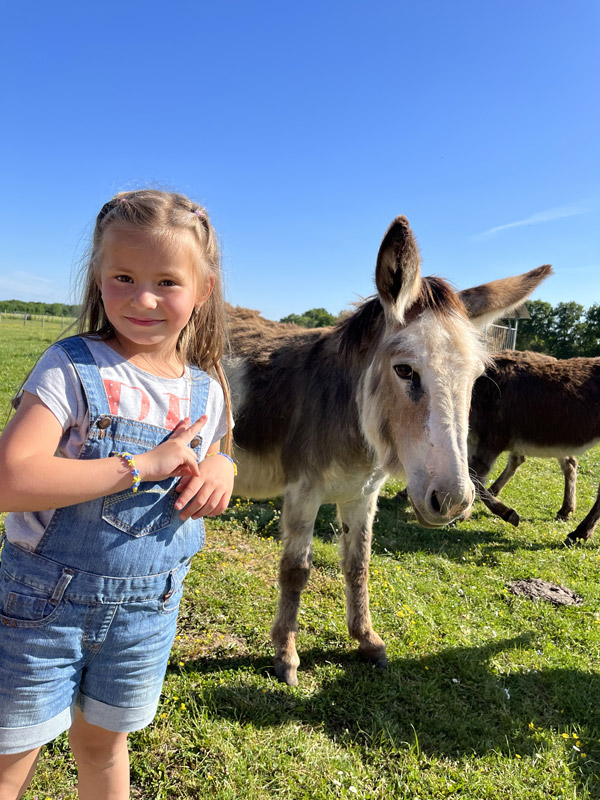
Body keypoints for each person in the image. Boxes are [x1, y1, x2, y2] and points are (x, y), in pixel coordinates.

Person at [0, 189, 236, 799]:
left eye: (167, 281)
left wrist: (224, 470)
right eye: (124, 277)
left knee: (104, 747)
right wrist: (140, 465)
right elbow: (11, 478)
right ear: (98, 278)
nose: (144, 299)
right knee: (9, 752)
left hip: (147, 614)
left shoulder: (207, 392)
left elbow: (218, 454)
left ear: (203, 291)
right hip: (41, 606)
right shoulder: (72, 368)